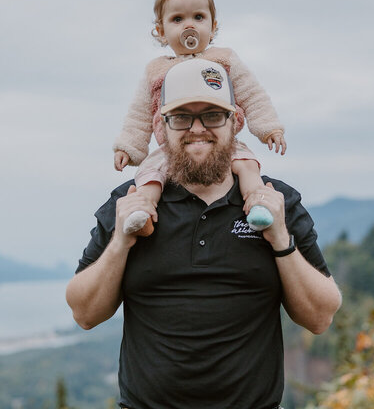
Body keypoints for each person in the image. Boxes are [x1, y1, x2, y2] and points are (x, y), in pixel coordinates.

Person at [66, 60, 342, 409]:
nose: (197, 129)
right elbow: (84, 312)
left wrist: (279, 237)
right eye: (181, 117)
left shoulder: (276, 202)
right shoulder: (131, 202)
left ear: (236, 122)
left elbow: (321, 316)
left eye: (212, 115)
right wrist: (121, 241)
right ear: (159, 125)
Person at [112, 0, 287, 234]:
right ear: (161, 31)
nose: (189, 25)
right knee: (150, 175)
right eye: (178, 19)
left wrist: (269, 128)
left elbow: (252, 95)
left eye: (198, 17)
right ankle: (143, 214)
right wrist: (129, 147)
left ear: (213, 26)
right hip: (172, 147)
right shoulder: (156, 71)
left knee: (247, 164)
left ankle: (258, 206)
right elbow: (139, 114)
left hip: (222, 143)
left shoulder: (224, 60)